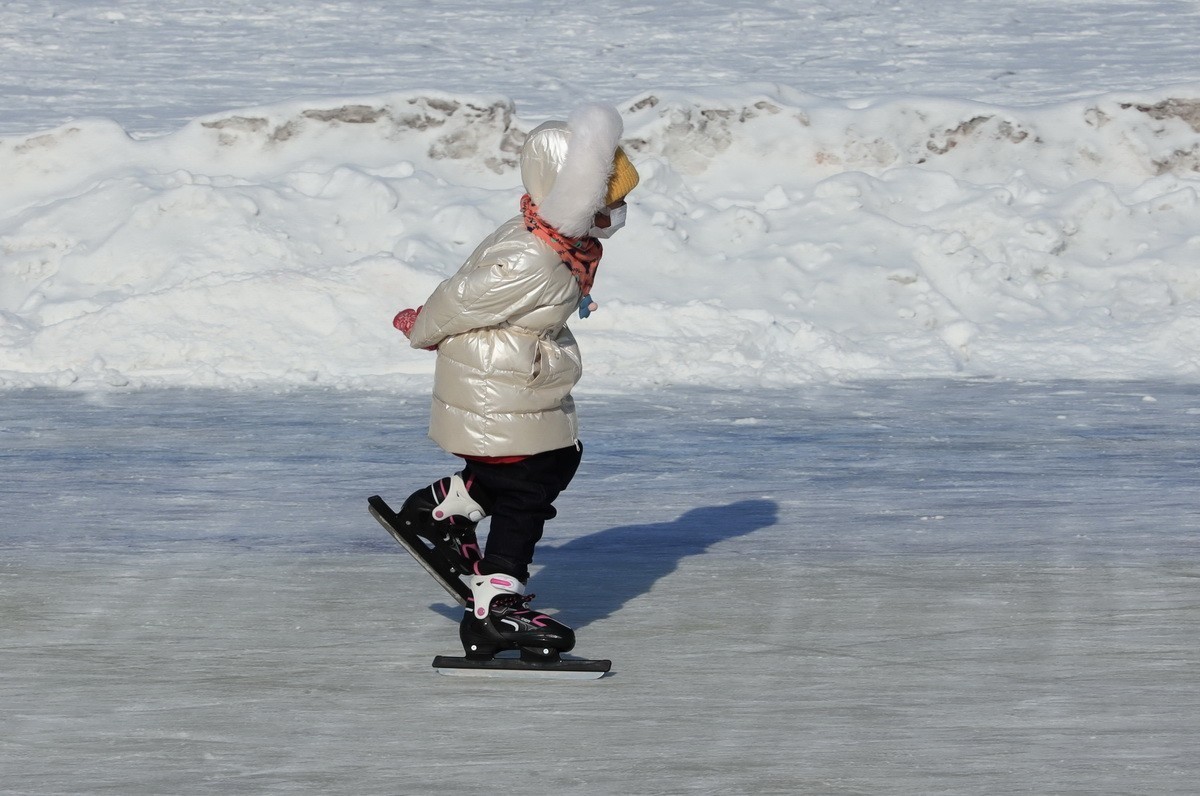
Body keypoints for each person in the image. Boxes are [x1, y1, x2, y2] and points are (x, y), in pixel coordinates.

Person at [390, 103, 639, 661]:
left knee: (556, 459)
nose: (620, 213)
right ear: (574, 195)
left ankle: (445, 507)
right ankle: (496, 603)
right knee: (527, 484)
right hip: (494, 380)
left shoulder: (556, 241)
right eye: (611, 202)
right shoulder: (534, 257)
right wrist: (422, 328)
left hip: (519, 375)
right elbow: (462, 297)